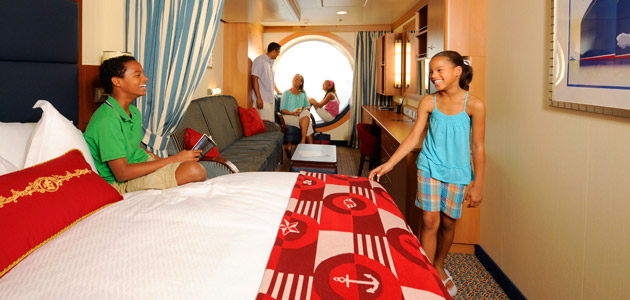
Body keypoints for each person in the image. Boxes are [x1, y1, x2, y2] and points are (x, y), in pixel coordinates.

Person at [368, 50, 485, 297]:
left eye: (439, 70)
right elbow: (413, 137)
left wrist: (478, 184)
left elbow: (478, 146)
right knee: (430, 221)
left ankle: (439, 266)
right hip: (429, 166)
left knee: (448, 222)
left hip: (458, 172)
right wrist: (390, 164)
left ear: (457, 71)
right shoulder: (429, 102)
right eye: (431, 71)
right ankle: (425, 273)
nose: (434, 76)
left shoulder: (474, 105)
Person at [84, 55, 206, 193]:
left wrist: (174, 163)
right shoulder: (106, 120)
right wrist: (173, 159)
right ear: (117, 81)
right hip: (121, 183)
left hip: (141, 166)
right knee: (194, 170)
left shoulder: (134, 112)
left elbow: (138, 150)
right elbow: (122, 173)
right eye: (137, 75)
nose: (145, 78)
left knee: (190, 167)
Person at [279, 74, 314, 144]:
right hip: (287, 116)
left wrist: (305, 108)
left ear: (301, 83)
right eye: (294, 78)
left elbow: (307, 106)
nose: (294, 80)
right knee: (307, 121)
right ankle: (309, 144)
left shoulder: (303, 94)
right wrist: (292, 113)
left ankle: (303, 141)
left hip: (300, 116)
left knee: (306, 113)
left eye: (297, 79)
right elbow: (282, 109)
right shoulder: (286, 93)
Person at [252, 42, 282, 121]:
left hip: (270, 99)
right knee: (266, 125)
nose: (278, 55)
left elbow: (270, 82)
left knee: (271, 124)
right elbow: (255, 79)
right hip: (262, 99)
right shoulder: (260, 61)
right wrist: (259, 98)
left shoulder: (271, 64)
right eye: (278, 53)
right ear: (274, 51)